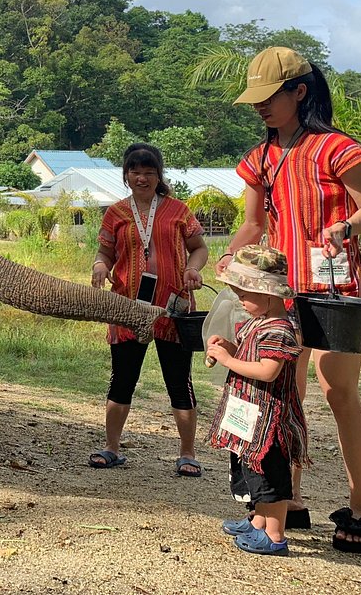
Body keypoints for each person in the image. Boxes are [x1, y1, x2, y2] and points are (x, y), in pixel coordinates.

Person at [215, 46, 361, 553]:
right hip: (281, 292)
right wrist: (231, 257)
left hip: (336, 289)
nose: (260, 107)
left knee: (338, 390)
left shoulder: (337, 149)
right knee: (283, 392)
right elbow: (252, 223)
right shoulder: (260, 159)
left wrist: (345, 226)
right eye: (255, 100)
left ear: (300, 92)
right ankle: (286, 501)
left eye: (270, 97)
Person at [89, 143, 208, 476]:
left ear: (159, 175)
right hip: (127, 307)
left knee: (179, 381)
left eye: (149, 172)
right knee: (122, 379)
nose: (142, 178)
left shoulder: (178, 210)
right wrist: (100, 265)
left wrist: (193, 269)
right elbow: (105, 253)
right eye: (135, 171)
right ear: (126, 175)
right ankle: (111, 447)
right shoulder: (115, 213)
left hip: (174, 308)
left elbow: (199, 248)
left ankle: (187, 453)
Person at [207, 245, 309, 556]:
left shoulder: (279, 330)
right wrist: (227, 346)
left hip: (270, 424)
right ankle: (258, 523)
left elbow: (267, 371)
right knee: (256, 475)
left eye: (243, 293)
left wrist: (227, 359)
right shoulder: (257, 323)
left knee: (272, 479)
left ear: (268, 294)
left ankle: (275, 535)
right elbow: (249, 353)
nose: (239, 299)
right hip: (252, 419)